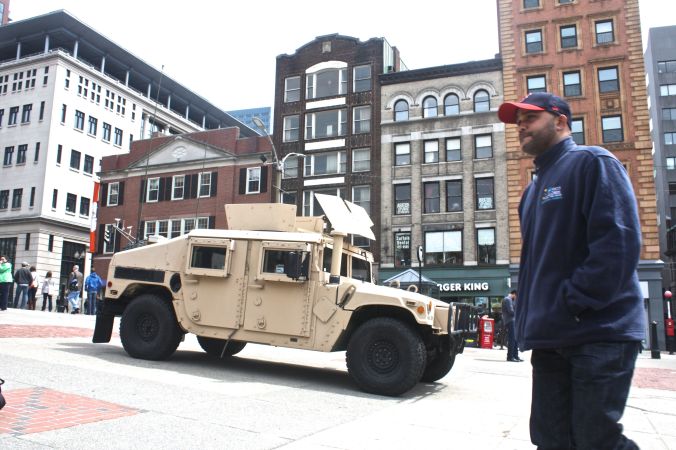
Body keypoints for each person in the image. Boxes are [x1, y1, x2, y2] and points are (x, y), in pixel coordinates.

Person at [498, 92, 644, 449]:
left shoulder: (592, 162)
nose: (521, 126)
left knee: (597, 440)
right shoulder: (531, 192)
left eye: (529, 118)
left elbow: (619, 243)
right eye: (518, 120)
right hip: (551, 339)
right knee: (550, 440)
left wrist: (572, 302)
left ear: (560, 121)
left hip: (597, 333)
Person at [502, 290, 521, 362]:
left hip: (513, 321)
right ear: (514, 294)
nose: (516, 298)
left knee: (515, 339)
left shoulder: (511, 300)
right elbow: (511, 311)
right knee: (512, 339)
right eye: (516, 296)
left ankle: (515, 356)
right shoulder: (507, 299)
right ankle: (510, 357)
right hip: (510, 321)